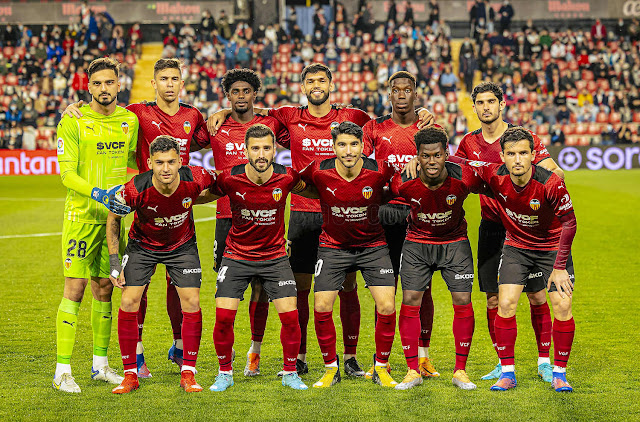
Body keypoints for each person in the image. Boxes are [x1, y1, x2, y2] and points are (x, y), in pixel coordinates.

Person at [207, 63, 434, 375]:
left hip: (343, 216)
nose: (316, 85)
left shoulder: (353, 117)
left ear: (331, 84)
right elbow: (249, 108)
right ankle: (300, 356)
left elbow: (387, 125)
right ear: (303, 87)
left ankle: (350, 356)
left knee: (348, 285)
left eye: (321, 80)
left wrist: (420, 113)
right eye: (310, 80)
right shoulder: (287, 115)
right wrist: (223, 111)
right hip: (303, 215)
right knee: (301, 288)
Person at [61, 58, 210, 378]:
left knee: (178, 283)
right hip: (141, 206)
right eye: (163, 79)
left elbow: (211, 137)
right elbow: (102, 109)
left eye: (175, 78)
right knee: (133, 285)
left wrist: (224, 114)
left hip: (178, 210)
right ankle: (135, 355)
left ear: (182, 83)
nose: (169, 84)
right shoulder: (136, 113)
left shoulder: (192, 115)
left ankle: (180, 346)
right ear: (152, 84)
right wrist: (73, 107)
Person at [455, 82, 564, 382]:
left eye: (492, 101)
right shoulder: (468, 143)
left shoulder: (521, 139)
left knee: (538, 297)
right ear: (474, 107)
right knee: (494, 299)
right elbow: (460, 178)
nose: (487, 107)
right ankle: (503, 363)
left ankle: (544, 361)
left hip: (527, 229)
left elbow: (556, 172)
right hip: (492, 227)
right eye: (481, 102)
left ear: (502, 104)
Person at [192, 68, 291, 377]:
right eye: (234, 91)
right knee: (230, 289)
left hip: (265, 217)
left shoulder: (270, 124)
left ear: (254, 94)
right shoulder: (216, 126)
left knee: (262, 288)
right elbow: (184, 143)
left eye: (246, 91)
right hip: (227, 218)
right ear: (228, 95)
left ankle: (255, 349)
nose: (240, 96)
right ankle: (227, 349)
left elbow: (298, 132)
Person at [54, 57, 138, 393]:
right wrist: (99, 193)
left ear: (119, 84)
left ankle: (100, 365)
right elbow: (66, 174)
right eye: (97, 83)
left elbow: (135, 160)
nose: (104, 89)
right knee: (74, 290)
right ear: (88, 87)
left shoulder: (128, 120)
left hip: (114, 223)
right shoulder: (73, 120)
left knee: (105, 289)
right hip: (81, 218)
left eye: (109, 82)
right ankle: (62, 370)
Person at [203, 124, 308, 392]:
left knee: (290, 317)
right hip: (237, 255)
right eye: (255, 148)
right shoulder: (229, 178)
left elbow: (315, 191)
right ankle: (224, 373)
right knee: (224, 317)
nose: (261, 154)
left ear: (275, 150)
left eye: (266, 148)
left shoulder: (287, 177)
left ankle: (290, 372)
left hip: (274, 257)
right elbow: (203, 194)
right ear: (246, 150)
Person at [106, 136, 215, 394]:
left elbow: (223, 182)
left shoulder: (196, 177)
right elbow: (113, 218)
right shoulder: (134, 188)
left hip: (182, 246)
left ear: (180, 162)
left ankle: (188, 372)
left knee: (191, 302)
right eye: (159, 163)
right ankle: (130, 375)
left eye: (170, 162)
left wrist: (197, 199)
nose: (165, 168)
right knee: (129, 301)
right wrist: (114, 262)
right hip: (142, 246)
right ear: (149, 163)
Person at [298, 122, 398, 388]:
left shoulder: (379, 169)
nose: (348, 150)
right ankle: (331, 369)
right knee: (321, 306)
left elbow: (399, 184)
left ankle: (381, 368)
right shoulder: (319, 169)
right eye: (342, 144)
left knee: (387, 306)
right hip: (333, 246)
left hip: (373, 246)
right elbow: (298, 183)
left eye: (354, 144)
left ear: (363, 146)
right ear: (333, 147)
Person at [392, 126, 483, 391]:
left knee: (463, 300)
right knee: (410, 300)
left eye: (438, 155)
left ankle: (461, 371)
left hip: (455, 244)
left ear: (446, 154)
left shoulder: (464, 177)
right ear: (417, 156)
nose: (432, 161)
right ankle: (412, 370)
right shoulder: (404, 181)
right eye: (425, 156)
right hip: (417, 244)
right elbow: (381, 192)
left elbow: (494, 179)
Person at [362, 71, 439, 379]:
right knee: (385, 291)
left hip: (420, 217)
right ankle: (382, 360)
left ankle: (423, 357)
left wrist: (421, 165)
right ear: (389, 94)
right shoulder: (374, 128)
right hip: (383, 218)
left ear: (416, 94)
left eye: (408, 90)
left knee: (422, 290)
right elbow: (359, 162)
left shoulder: (430, 129)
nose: (403, 94)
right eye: (397, 90)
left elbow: (445, 168)